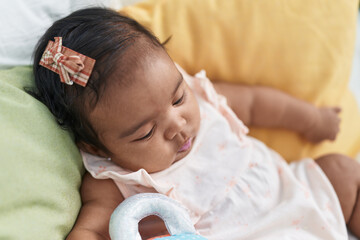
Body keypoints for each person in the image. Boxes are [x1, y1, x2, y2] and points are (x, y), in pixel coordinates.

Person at [31, 7, 360, 240]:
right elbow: (92, 229)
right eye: (145, 133)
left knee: (342, 172)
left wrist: (312, 119)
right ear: (96, 147)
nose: (177, 124)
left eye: (178, 98)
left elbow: (258, 104)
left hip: (292, 195)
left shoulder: (201, 95)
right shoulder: (114, 180)